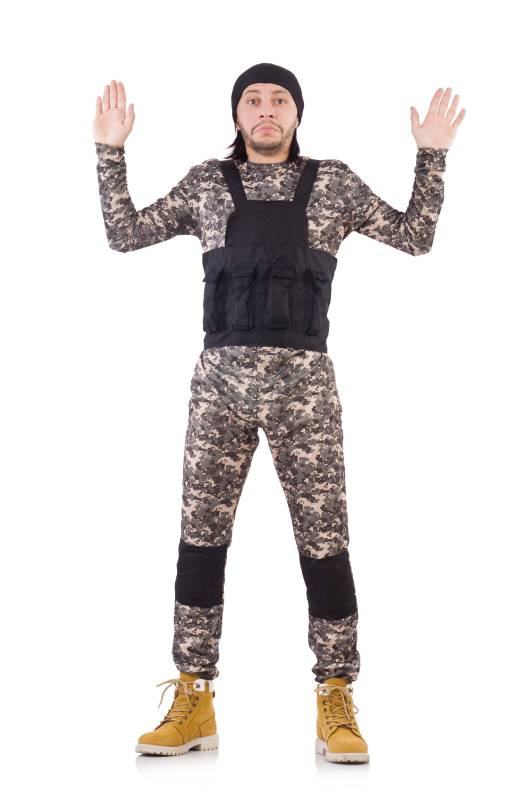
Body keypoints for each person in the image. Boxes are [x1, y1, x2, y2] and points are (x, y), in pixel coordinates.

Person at [93, 64, 465, 764]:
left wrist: (432, 156)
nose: (266, 110)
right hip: (219, 389)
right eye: (253, 100)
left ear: (297, 113)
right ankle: (194, 695)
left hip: (306, 393)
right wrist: (110, 151)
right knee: (200, 544)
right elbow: (125, 232)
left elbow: (415, 237)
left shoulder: (334, 183)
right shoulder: (208, 183)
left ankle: (336, 697)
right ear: (237, 116)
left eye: (279, 100)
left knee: (325, 546)